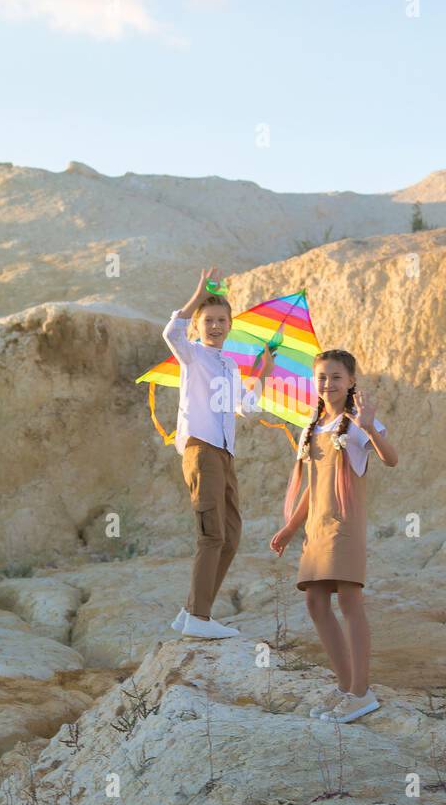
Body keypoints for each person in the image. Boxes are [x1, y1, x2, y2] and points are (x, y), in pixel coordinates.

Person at [270, 350, 398, 722]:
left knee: (350, 604)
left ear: (351, 381)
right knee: (314, 603)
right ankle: (346, 688)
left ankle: (361, 692)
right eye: (322, 377)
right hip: (316, 528)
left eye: (336, 377)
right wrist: (291, 526)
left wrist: (371, 427)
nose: (328, 384)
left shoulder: (358, 423)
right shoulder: (312, 427)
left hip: (344, 524)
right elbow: (313, 485)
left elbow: (391, 460)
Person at [163, 267, 274, 639]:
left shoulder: (228, 364)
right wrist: (198, 291)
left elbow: (246, 408)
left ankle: (189, 613)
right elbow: (170, 331)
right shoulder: (191, 354)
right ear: (198, 325)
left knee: (231, 535)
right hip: (201, 449)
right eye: (208, 320)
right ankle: (199, 617)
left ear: (229, 325)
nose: (215, 326)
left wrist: (263, 372)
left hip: (225, 454)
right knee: (211, 535)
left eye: (221, 320)